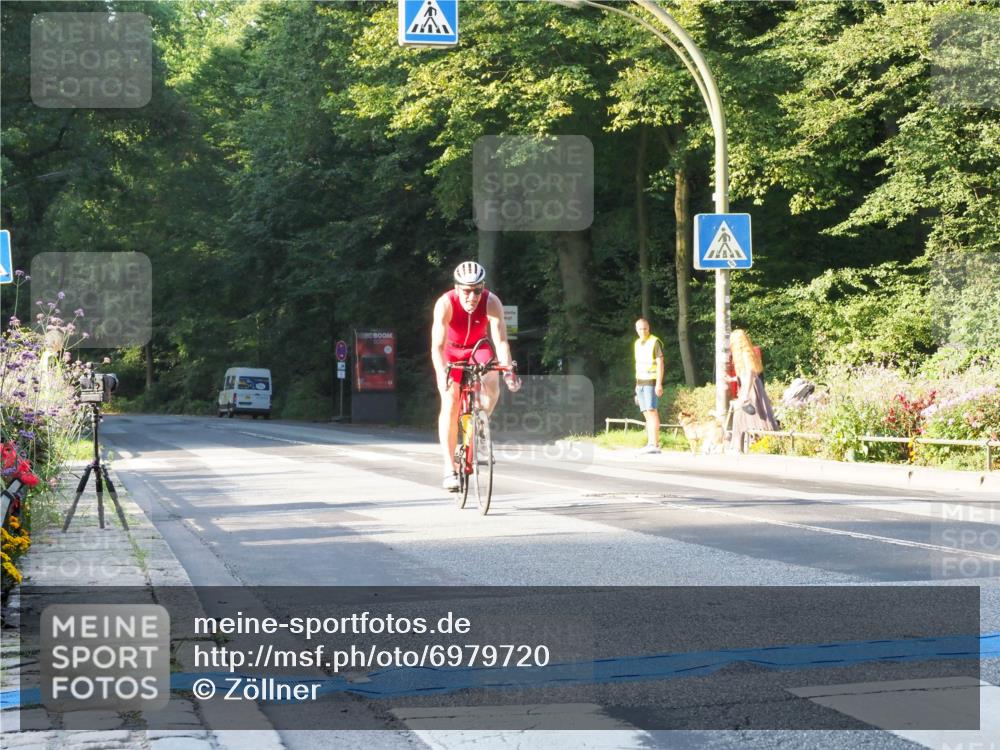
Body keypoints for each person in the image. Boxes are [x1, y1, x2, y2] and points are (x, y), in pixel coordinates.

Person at [431, 261, 521, 491]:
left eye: (477, 290)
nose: (472, 297)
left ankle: (480, 424)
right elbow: (437, 347)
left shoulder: (492, 302)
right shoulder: (445, 304)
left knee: (492, 380)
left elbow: (501, 342)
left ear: (483, 287)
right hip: (451, 352)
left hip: (478, 348)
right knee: (450, 403)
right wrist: (442, 374)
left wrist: (508, 371)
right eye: (466, 291)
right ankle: (449, 467)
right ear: (457, 288)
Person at [727, 329, 778, 452]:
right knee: (744, 416)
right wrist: (733, 379)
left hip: (751, 387)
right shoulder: (742, 355)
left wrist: (745, 393)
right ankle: (744, 445)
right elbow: (745, 373)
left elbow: (750, 373)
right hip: (749, 386)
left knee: (746, 415)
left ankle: (748, 445)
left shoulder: (745, 353)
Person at [633, 318, 664, 455]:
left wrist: (659, 384)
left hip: (651, 381)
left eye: (645, 328)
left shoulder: (654, 342)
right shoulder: (637, 343)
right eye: (640, 329)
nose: (643, 331)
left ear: (649, 328)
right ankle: (650, 442)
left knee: (652, 411)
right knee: (646, 413)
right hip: (640, 381)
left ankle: (655, 444)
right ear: (636, 330)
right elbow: (638, 364)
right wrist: (636, 384)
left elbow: (660, 364)